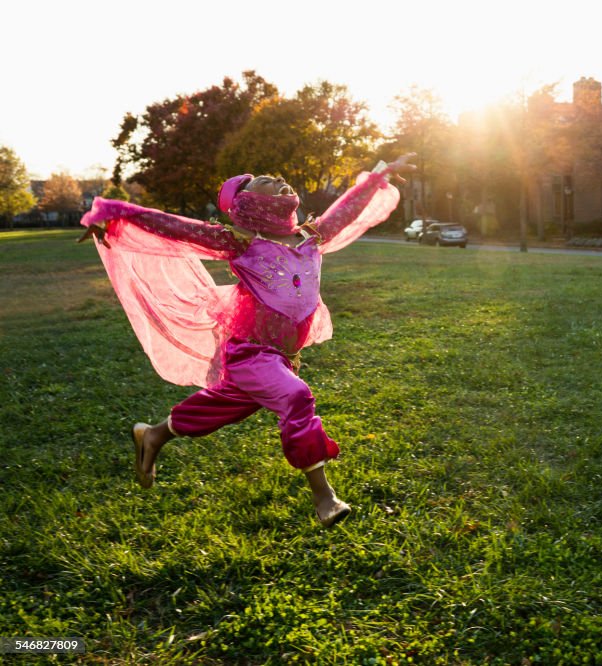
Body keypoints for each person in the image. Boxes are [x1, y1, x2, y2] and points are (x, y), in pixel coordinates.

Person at [78, 154, 416, 527]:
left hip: (280, 356)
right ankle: (325, 498)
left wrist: (378, 176)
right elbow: (176, 227)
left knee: (221, 408)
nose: (279, 178)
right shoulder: (239, 243)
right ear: (245, 202)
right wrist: (114, 214)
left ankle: (153, 435)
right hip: (250, 353)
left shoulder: (311, 236)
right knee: (296, 397)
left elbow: (347, 209)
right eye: (266, 180)